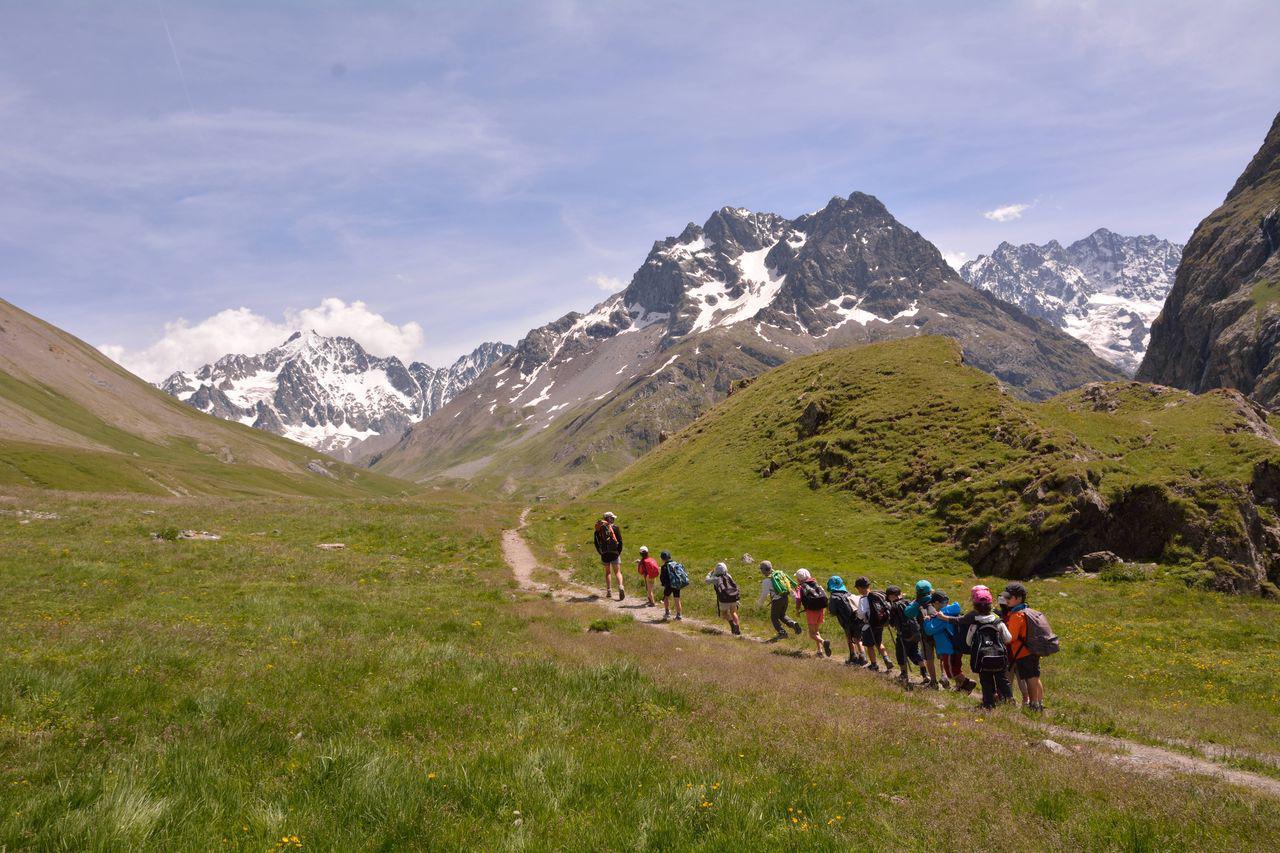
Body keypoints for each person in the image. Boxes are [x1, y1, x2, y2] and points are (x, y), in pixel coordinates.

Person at [965, 586, 1014, 709]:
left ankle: (988, 703)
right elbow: (1008, 638)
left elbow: (968, 642)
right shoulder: (998, 623)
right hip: (999, 658)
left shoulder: (974, 624)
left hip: (983, 660)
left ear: (975, 606)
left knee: (986, 681)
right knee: (1002, 680)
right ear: (990, 605)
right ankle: (1009, 701)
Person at [1004, 582, 1046, 712]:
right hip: (1033, 650)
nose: (1006, 600)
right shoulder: (1028, 611)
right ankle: (1039, 702)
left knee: (1030, 678)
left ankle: (1033, 705)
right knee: (1035, 676)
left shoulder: (1017, 616)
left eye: (1009, 597)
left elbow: (1010, 638)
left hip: (1023, 653)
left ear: (1018, 598)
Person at [924, 592, 976, 694]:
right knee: (956, 667)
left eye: (933, 604)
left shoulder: (942, 615)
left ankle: (968, 683)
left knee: (951, 671)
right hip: (957, 645)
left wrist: (926, 621)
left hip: (948, 648)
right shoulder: (953, 611)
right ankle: (961, 688)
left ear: (938, 603)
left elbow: (930, 630)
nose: (933, 607)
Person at [904, 580, 942, 689]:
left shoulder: (917, 603)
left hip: (926, 635)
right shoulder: (936, 598)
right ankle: (944, 676)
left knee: (929, 658)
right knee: (942, 656)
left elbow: (907, 613)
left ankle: (933, 682)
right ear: (930, 590)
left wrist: (916, 601)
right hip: (939, 632)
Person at [886, 585, 925, 685]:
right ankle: (925, 675)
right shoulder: (909, 602)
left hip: (904, 634)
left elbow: (892, 623)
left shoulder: (894, 606)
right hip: (916, 632)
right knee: (915, 652)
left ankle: (904, 674)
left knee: (901, 653)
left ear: (891, 596)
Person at [855, 577, 892, 673]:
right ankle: (886, 658)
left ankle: (874, 664)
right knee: (879, 643)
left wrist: (859, 618)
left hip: (869, 626)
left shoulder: (863, 599)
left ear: (860, 588)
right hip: (879, 624)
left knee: (869, 645)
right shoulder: (878, 594)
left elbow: (860, 614)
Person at [756, 560, 801, 639]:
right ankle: (793, 623)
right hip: (785, 598)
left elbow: (764, 595)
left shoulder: (766, 581)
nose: (761, 571)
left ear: (763, 570)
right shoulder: (779, 575)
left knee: (774, 618)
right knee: (782, 615)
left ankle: (782, 633)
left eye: (761, 569)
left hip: (777, 601)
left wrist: (759, 604)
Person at [827, 576, 866, 666]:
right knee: (858, 638)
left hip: (846, 622)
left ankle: (853, 656)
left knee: (849, 638)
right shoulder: (848, 593)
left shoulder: (834, 597)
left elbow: (832, 612)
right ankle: (863, 656)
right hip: (857, 619)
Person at [794, 569, 832, 657]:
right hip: (821, 610)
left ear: (799, 579)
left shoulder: (800, 587)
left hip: (811, 611)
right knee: (816, 631)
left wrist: (797, 610)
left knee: (812, 634)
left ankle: (823, 642)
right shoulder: (815, 583)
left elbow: (798, 599)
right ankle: (820, 651)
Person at [592, 512, 625, 601]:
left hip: (604, 553)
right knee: (618, 572)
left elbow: (596, 542)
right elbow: (620, 541)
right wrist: (618, 552)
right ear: (610, 518)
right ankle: (621, 586)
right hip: (615, 552)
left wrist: (601, 553)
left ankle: (609, 591)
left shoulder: (598, 529)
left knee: (608, 572)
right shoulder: (615, 528)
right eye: (613, 518)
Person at [705, 562, 742, 636]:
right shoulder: (728, 576)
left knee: (724, 614)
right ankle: (737, 628)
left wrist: (710, 573)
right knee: (733, 612)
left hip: (724, 599)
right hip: (733, 597)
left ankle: (732, 624)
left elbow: (707, 581)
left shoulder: (715, 579)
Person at [658, 550, 687, 621]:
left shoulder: (664, 567)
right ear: (669, 557)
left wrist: (664, 584)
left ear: (662, 558)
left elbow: (662, 578)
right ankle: (679, 615)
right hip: (677, 584)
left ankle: (667, 613)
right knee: (677, 599)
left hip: (669, 585)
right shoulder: (676, 564)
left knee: (666, 598)